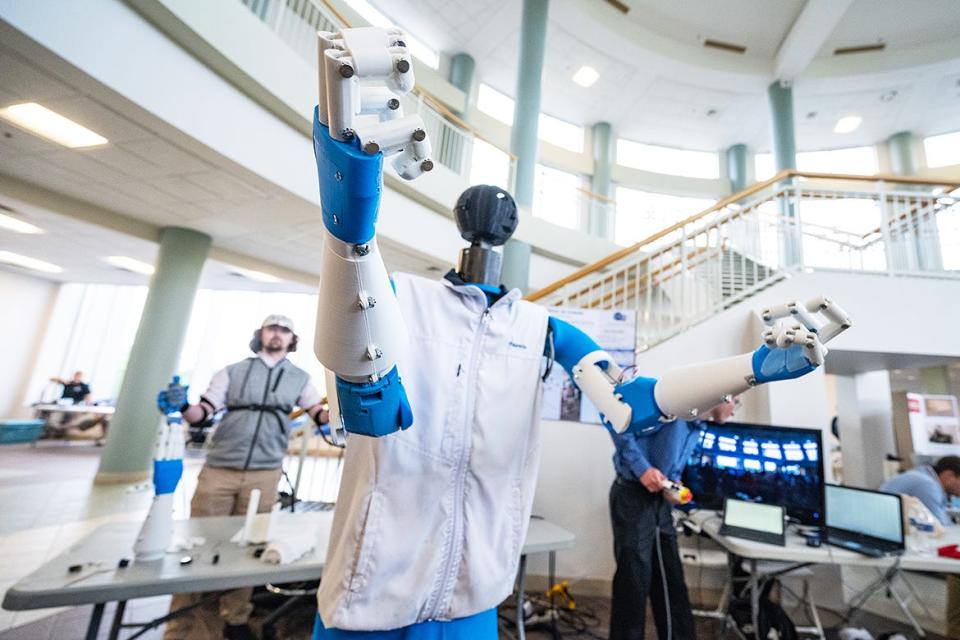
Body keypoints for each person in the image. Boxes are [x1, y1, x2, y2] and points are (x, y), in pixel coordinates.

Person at [307, 25, 849, 640]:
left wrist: (749, 366)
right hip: (370, 588)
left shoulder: (542, 329)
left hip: (472, 596)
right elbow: (365, 397)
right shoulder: (403, 298)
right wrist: (350, 232)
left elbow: (631, 405)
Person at [158, 314, 328, 640]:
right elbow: (201, 413)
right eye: (271, 328)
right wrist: (181, 405)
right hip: (220, 468)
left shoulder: (300, 379)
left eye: (284, 330)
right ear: (260, 334)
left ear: (292, 339)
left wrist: (346, 408)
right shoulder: (232, 372)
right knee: (200, 544)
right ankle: (185, 626)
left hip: (265, 474)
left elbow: (319, 414)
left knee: (250, 549)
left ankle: (235, 618)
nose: (277, 334)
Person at [607, 395, 739, 640]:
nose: (735, 409)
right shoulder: (671, 406)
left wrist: (673, 484)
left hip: (659, 503)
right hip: (632, 497)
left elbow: (672, 466)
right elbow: (615, 419)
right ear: (723, 395)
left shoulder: (697, 426)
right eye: (736, 401)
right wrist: (642, 468)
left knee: (671, 581)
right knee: (633, 581)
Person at [880, 456, 960, 639]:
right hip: (906, 546)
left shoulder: (919, 476)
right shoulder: (927, 485)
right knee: (957, 574)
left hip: (896, 539)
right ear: (949, 475)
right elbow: (943, 529)